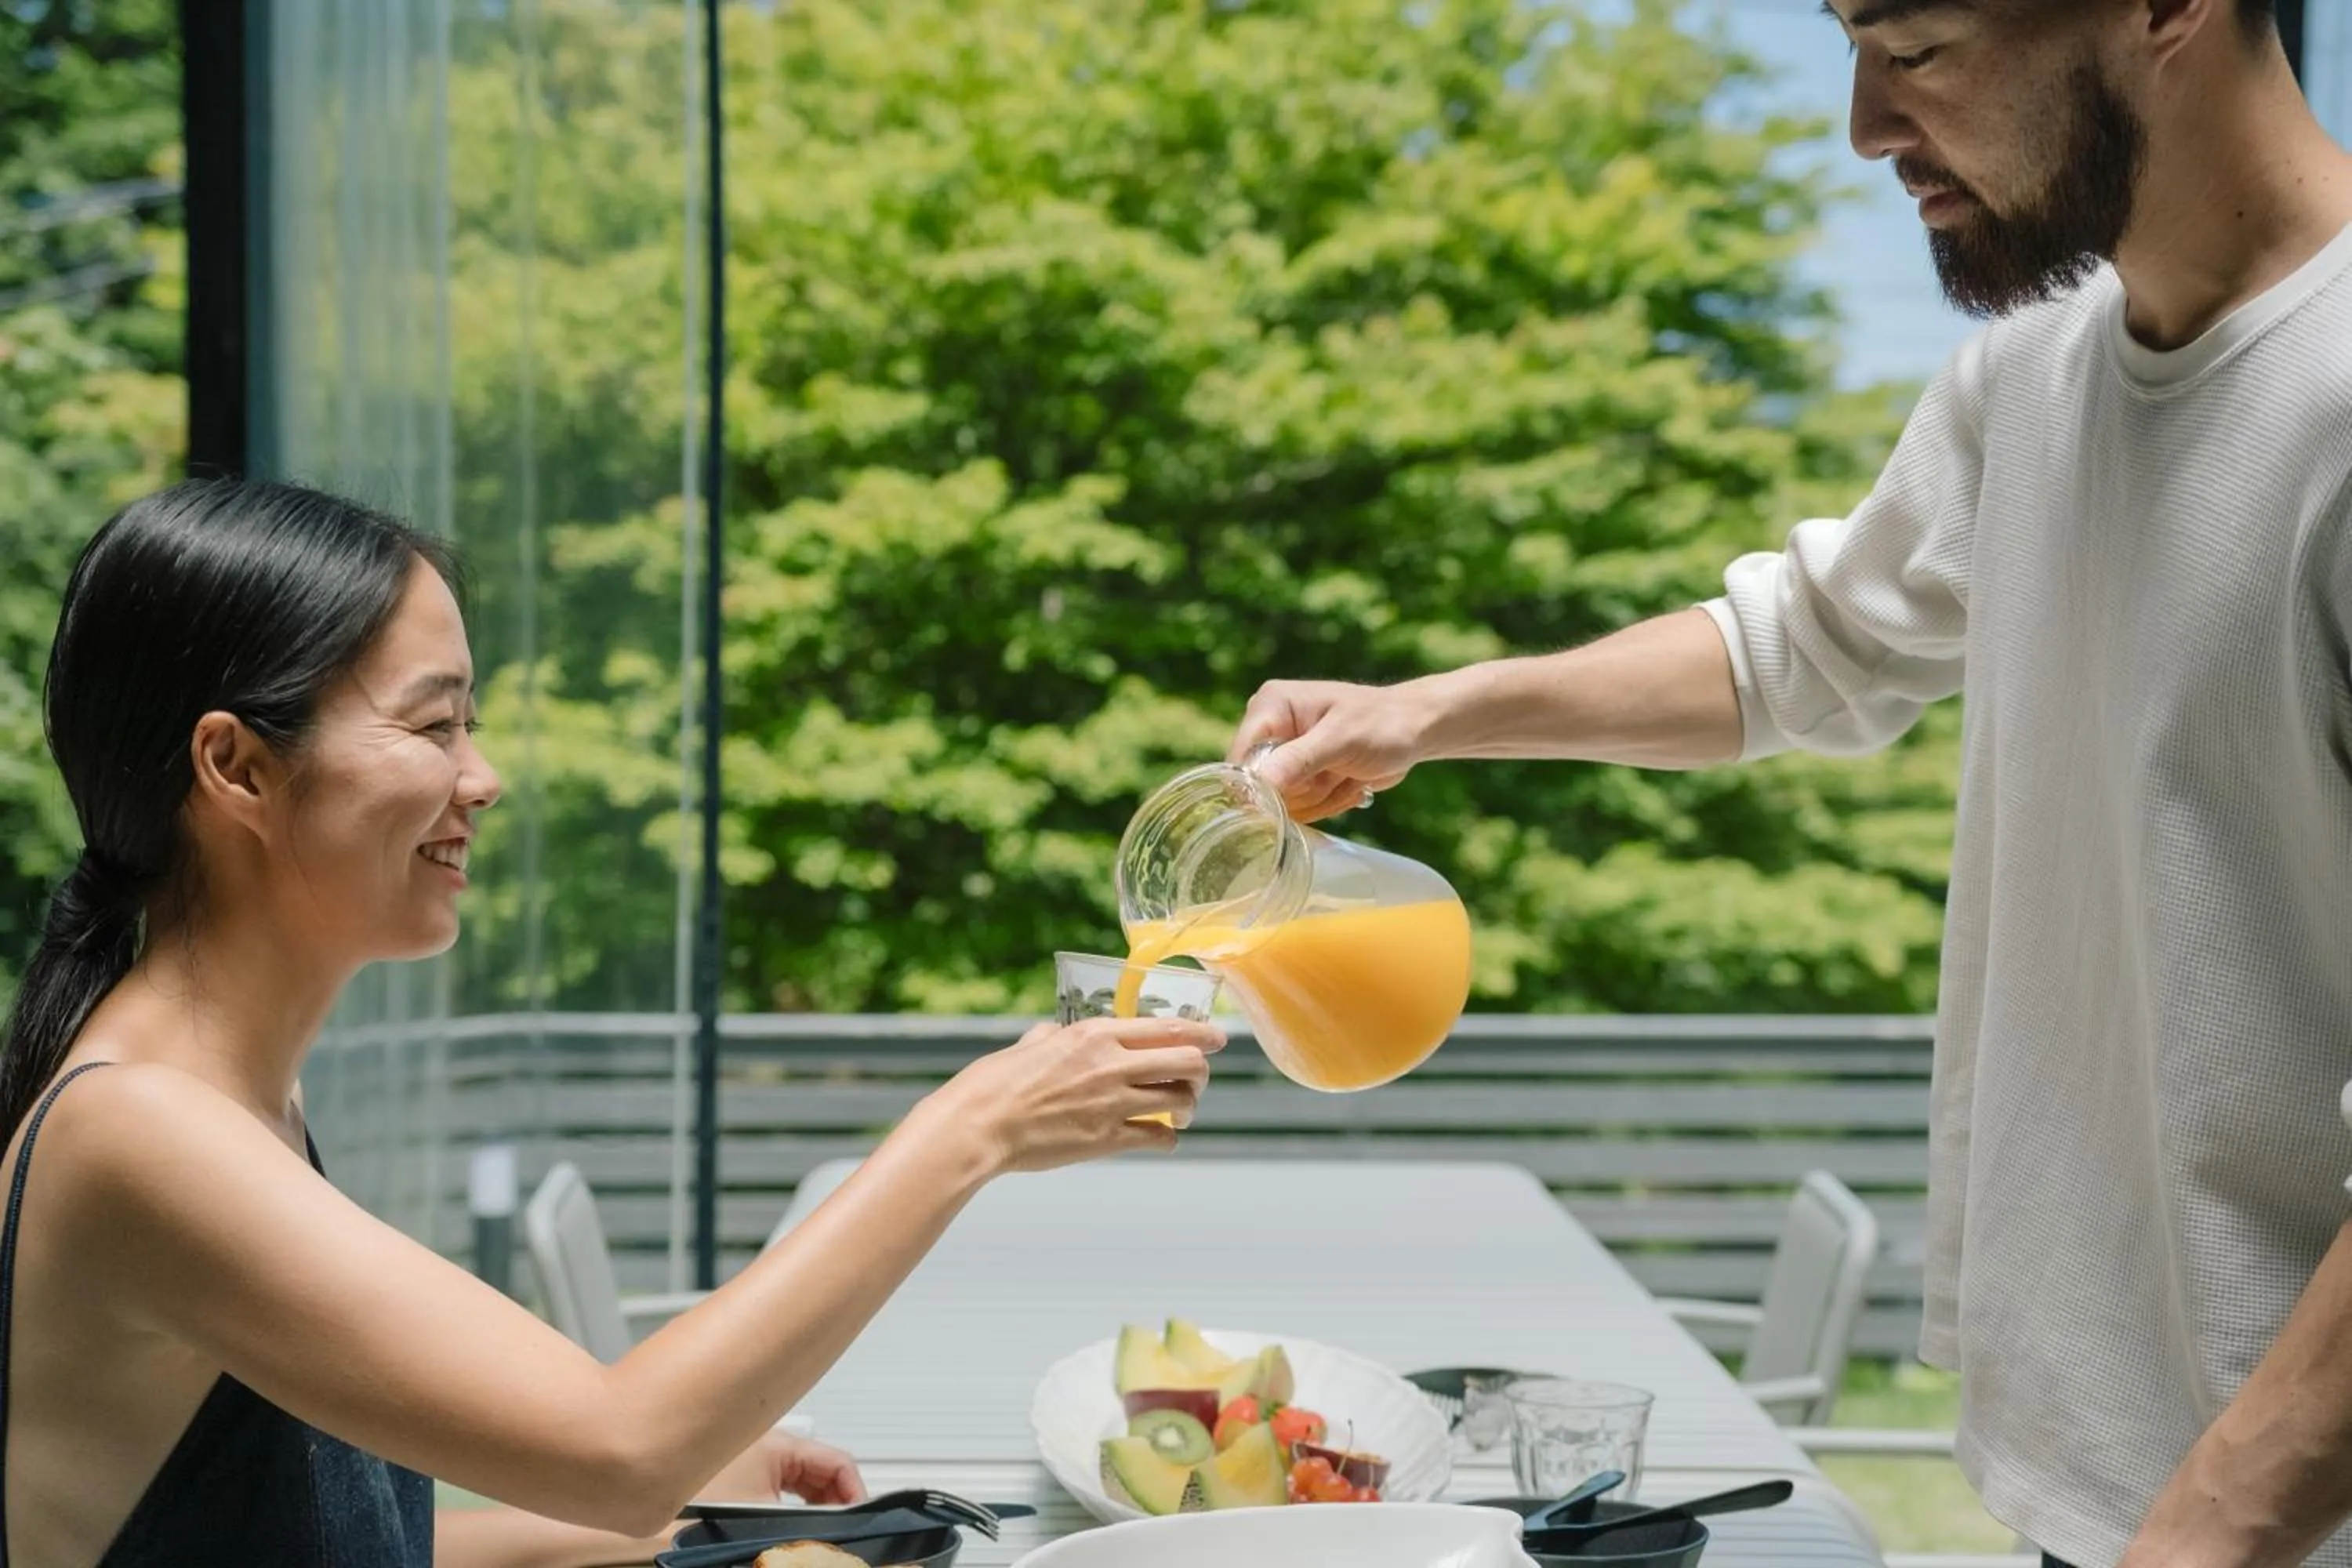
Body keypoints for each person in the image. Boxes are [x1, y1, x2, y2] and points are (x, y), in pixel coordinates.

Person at [1232, 2, 2352, 1565]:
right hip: (2113, 1485)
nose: (1866, 128)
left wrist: (2209, 1532)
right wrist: (1429, 711)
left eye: (1920, 47)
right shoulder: (2030, 377)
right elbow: (1802, 650)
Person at [0, 478, 1220, 1568]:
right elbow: (618, 1444)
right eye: (434, 727)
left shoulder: (223, 1100)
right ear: (238, 769)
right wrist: (978, 1125)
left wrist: (675, 1522)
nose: (480, 778)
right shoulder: (142, 1133)